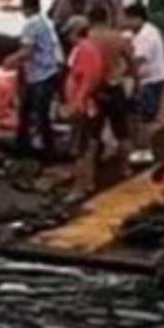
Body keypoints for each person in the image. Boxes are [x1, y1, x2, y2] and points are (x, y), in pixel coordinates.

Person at [3, 0, 63, 154]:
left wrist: (10, 60)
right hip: (49, 70)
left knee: (38, 113)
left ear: (25, 5)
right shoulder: (46, 21)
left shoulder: (31, 25)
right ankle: (24, 144)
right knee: (29, 111)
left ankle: (46, 149)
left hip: (40, 74)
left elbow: (26, 51)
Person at [88, 4, 138, 170]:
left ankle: (91, 168)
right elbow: (132, 63)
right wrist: (135, 83)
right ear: (106, 19)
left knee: (92, 134)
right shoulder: (118, 38)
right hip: (116, 87)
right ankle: (126, 168)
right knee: (122, 132)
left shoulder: (88, 39)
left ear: (91, 20)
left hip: (96, 89)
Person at [65, 18, 107, 200]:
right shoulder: (91, 48)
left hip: (82, 104)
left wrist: (78, 101)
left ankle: (78, 188)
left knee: (79, 148)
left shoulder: (83, 50)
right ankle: (88, 182)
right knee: (89, 144)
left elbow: (87, 78)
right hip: (88, 102)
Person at [123, 4, 164, 165]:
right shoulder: (136, 31)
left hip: (151, 80)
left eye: (127, 19)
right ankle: (137, 145)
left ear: (137, 19)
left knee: (146, 117)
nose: (124, 22)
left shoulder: (147, 36)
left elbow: (138, 60)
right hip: (143, 79)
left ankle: (145, 150)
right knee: (135, 114)